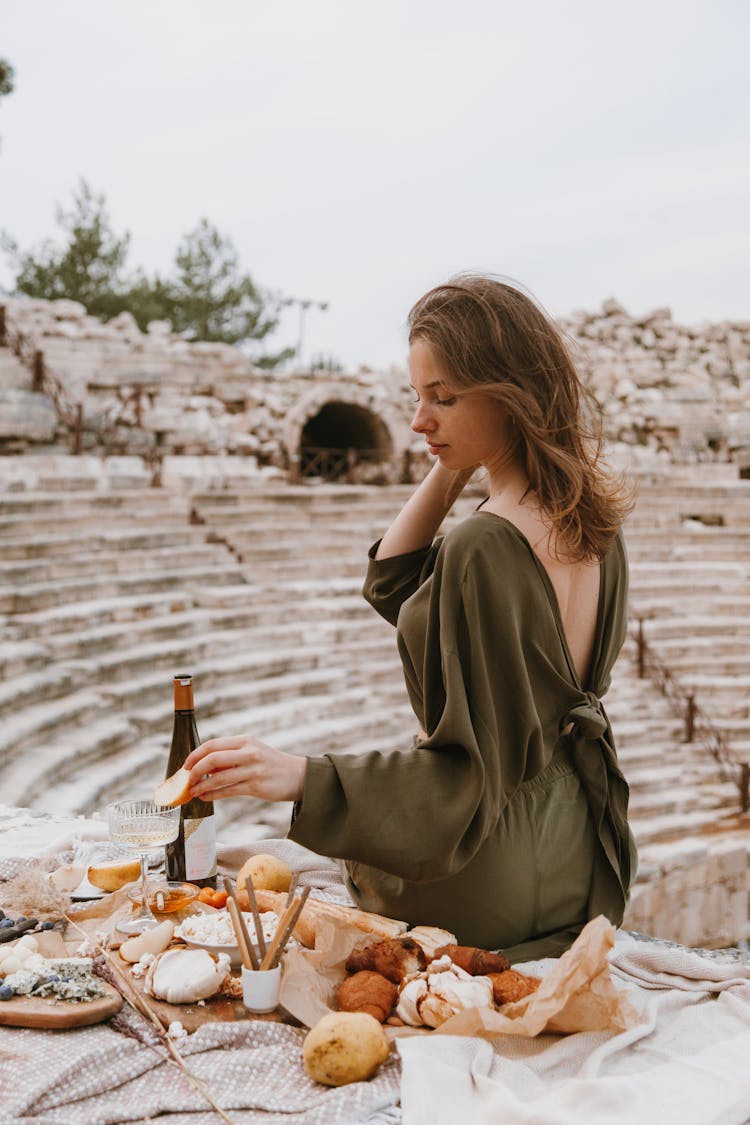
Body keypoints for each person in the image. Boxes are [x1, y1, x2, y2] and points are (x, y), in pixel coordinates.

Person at [184, 274, 637, 960]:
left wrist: (303, 776)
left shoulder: (484, 544)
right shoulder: (593, 521)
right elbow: (398, 588)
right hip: (578, 851)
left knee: (360, 868)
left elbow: (465, 775)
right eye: (417, 398)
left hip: (493, 874)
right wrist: (457, 462)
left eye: (443, 399)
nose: (420, 421)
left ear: (512, 395)